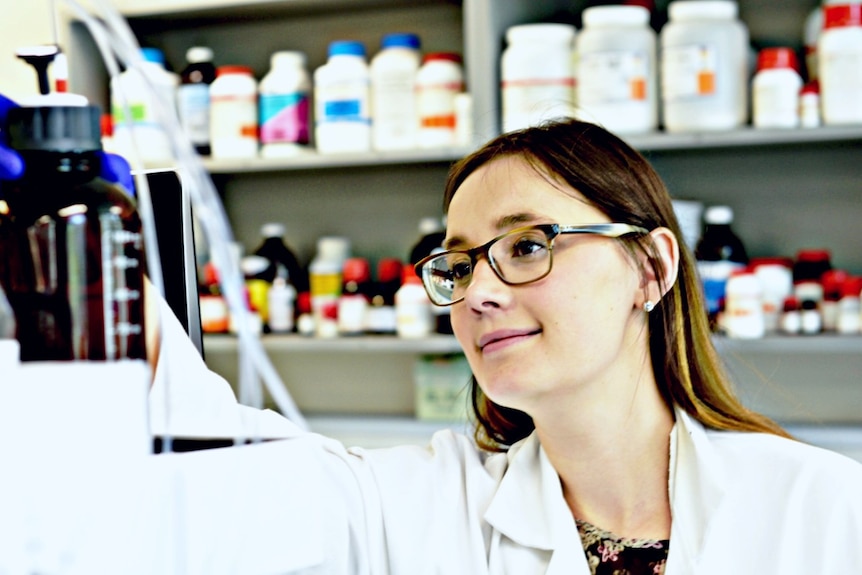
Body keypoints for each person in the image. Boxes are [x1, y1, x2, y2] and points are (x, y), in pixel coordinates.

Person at [4, 94, 862, 572]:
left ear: (652, 267)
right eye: (456, 264)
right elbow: (236, 464)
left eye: (528, 245)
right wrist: (94, 252)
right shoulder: (413, 509)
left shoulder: (825, 512)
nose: (479, 292)